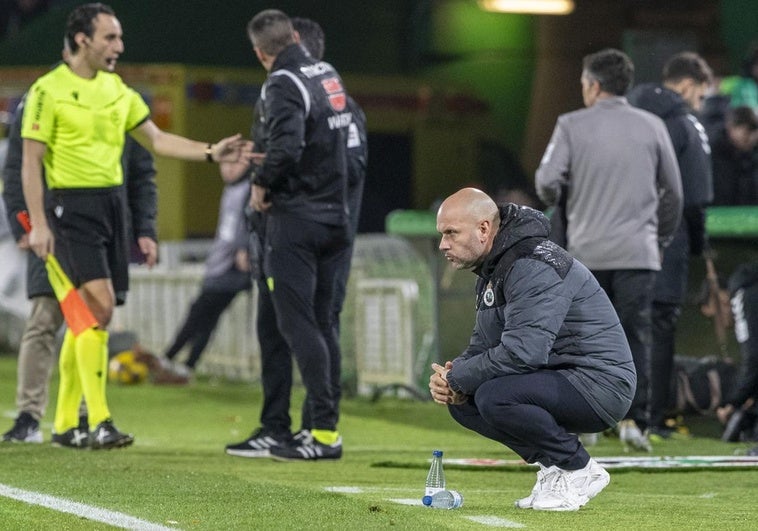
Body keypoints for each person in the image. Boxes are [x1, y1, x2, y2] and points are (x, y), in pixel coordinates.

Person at [20, 3, 252, 450]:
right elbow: (29, 163)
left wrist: (211, 151)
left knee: (90, 317)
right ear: (83, 40)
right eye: (110, 38)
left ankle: (67, 424)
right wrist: (39, 222)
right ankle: (99, 419)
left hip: (111, 209)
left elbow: (159, 140)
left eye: (119, 38)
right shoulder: (48, 90)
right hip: (69, 209)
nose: (119, 47)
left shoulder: (117, 90)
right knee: (99, 308)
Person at [429, 188, 635, 511]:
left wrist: (461, 377)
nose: (443, 244)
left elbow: (523, 352)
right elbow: (484, 344)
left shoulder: (530, 262)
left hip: (601, 384)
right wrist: (452, 377)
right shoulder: (494, 267)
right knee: (464, 401)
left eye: (451, 233)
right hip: (562, 375)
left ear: (484, 229)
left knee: (493, 396)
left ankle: (579, 468)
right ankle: (554, 468)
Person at [225, 16, 368, 459]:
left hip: (297, 222)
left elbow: (288, 150)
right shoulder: (331, 83)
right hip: (330, 221)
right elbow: (349, 162)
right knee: (295, 325)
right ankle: (289, 428)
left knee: (300, 324)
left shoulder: (285, 83)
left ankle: (320, 430)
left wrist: (261, 184)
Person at [535, 48, 683, 452]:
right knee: (636, 335)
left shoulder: (570, 125)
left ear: (594, 85)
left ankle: (588, 421)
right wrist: (658, 238)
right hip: (639, 253)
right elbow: (674, 192)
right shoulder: (653, 126)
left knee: (580, 337)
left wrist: (568, 197)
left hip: (586, 254)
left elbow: (546, 182)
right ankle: (636, 421)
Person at [627, 52, 714, 439]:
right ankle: (651, 418)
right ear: (690, 84)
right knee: (659, 327)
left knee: (616, 325)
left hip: (610, 237)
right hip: (667, 238)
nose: (701, 103)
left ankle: (614, 414)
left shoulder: (624, 115)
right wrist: (699, 247)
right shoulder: (685, 124)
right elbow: (694, 198)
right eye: (701, 94)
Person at [161, 170, 253, 379]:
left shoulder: (249, 187)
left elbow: (249, 219)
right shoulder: (233, 188)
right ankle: (185, 365)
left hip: (231, 268)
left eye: (233, 163)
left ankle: (169, 359)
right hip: (219, 264)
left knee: (200, 313)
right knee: (207, 317)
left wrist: (243, 247)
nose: (226, 168)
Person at [709, 106, 758, 206]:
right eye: (746, 133)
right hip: (721, 210)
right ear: (731, 128)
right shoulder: (715, 151)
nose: (751, 139)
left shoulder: (752, 154)